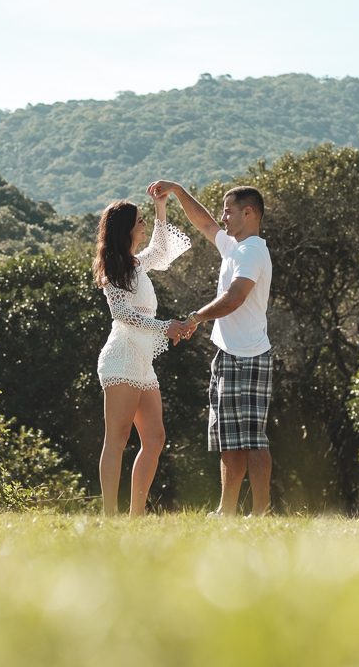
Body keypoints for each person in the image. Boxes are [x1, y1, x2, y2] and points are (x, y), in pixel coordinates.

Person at [147, 180, 273, 516]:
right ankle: (226, 511)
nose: (223, 217)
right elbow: (204, 223)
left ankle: (261, 512)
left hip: (249, 357)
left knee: (253, 438)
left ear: (249, 213)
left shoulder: (251, 252)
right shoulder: (234, 247)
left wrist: (194, 318)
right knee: (229, 439)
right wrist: (177, 191)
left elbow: (235, 298)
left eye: (229, 211)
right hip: (228, 356)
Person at [94, 194, 194, 516]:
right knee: (117, 439)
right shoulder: (113, 267)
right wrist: (165, 327)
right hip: (121, 357)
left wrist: (160, 206)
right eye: (140, 220)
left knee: (155, 438)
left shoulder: (138, 264)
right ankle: (110, 516)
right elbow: (121, 314)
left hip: (141, 361)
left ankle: (136, 516)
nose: (145, 223)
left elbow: (161, 250)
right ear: (125, 228)